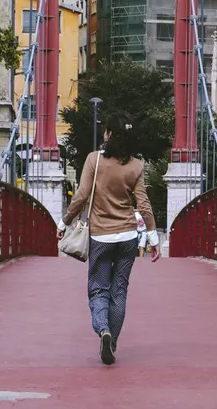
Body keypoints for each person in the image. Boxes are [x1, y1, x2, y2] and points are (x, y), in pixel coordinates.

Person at [60, 119, 160, 364]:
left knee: (98, 289)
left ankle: (103, 329)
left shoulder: (94, 160)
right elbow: (143, 204)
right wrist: (152, 236)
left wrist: (64, 222)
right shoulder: (136, 166)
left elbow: (82, 195)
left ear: (108, 135)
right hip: (127, 237)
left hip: (101, 237)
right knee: (120, 290)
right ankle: (112, 340)